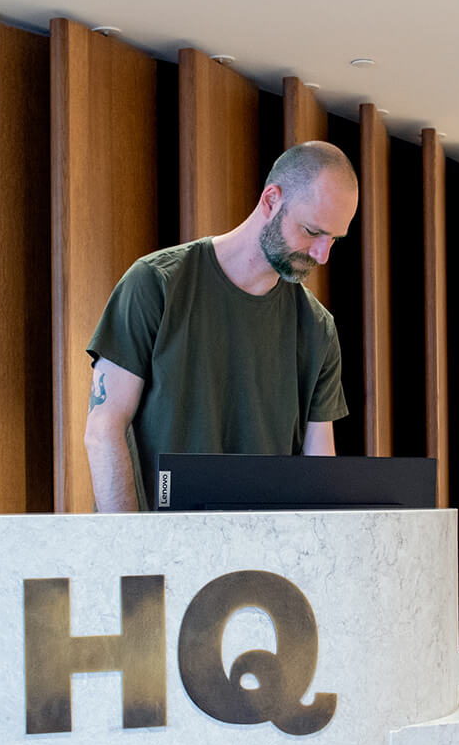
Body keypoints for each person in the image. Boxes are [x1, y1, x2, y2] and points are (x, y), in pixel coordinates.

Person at [84, 140, 360, 511]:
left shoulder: (317, 328)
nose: (322, 255)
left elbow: (318, 466)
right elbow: (104, 429)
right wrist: (133, 550)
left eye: (334, 240)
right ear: (271, 200)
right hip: (161, 552)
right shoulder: (157, 283)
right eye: (312, 232)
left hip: (261, 560)